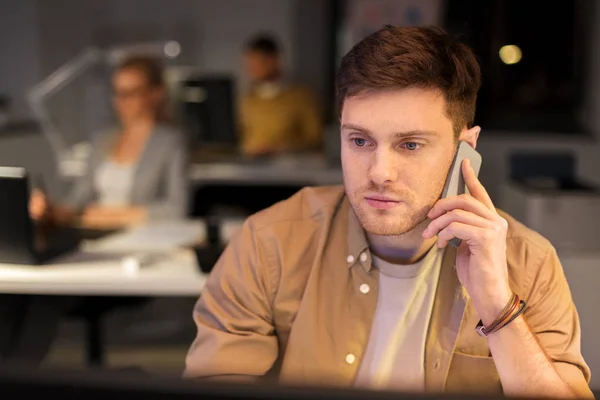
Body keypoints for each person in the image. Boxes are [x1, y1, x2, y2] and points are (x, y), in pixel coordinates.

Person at [183, 26, 593, 398]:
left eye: (410, 145)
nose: (380, 173)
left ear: (465, 146)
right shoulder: (269, 243)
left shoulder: (529, 264)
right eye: (360, 141)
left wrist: (498, 307)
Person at [0, 55, 188, 364]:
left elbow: (174, 209)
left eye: (131, 92)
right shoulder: (103, 140)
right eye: (118, 92)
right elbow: (77, 201)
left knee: (45, 300)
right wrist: (49, 208)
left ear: (155, 94)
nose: (122, 101)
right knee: (15, 294)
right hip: (84, 236)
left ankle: (19, 374)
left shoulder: (170, 142)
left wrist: (95, 215)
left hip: (130, 245)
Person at [239, 34, 323, 157]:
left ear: (274, 60)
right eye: (250, 64)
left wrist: (281, 148)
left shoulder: (301, 96)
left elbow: (315, 138)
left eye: (258, 63)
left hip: (288, 168)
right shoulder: (248, 100)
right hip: (252, 168)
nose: (252, 70)